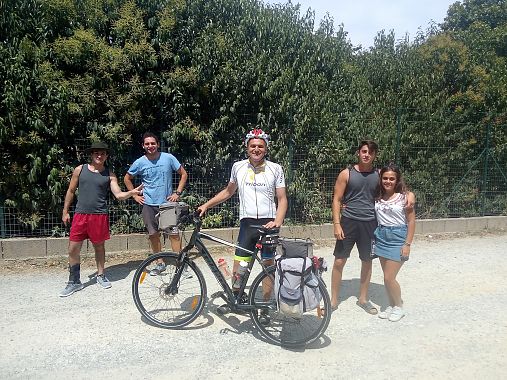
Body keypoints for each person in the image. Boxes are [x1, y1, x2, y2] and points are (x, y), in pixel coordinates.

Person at [198, 128, 288, 297]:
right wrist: (206, 205)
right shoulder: (237, 167)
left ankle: (266, 305)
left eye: (260, 146)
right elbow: (228, 192)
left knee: (268, 265)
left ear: (266, 148)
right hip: (247, 224)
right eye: (253, 145)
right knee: (240, 262)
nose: (256, 149)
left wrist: (278, 220)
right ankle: (237, 295)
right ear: (247, 147)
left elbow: (282, 198)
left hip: (269, 222)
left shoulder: (275, 168)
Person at [330, 140, 415, 314]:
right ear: (358, 153)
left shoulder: (379, 174)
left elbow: (398, 186)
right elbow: (337, 199)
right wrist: (337, 223)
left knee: (367, 261)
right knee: (339, 261)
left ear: (375, 155)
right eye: (363, 151)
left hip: (370, 224)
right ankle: (333, 300)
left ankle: (363, 299)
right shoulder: (346, 174)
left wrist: (411, 195)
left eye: (370, 152)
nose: (366, 155)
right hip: (348, 222)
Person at [60, 141, 143, 297]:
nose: (99, 155)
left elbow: (118, 194)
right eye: (96, 153)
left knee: (99, 247)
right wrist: (65, 211)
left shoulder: (109, 174)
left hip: (99, 216)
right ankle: (74, 281)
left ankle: (101, 275)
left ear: (106, 156)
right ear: (92, 154)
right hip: (80, 215)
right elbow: (71, 191)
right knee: (72, 249)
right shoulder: (80, 169)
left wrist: (131, 193)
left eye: (103, 153)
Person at [124, 132, 188, 276]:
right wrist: (134, 195)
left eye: (153, 143)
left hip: (167, 204)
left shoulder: (168, 158)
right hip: (148, 204)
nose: (150, 146)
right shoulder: (140, 162)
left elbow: (183, 174)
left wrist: (177, 193)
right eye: (147, 144)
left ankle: (180, 264)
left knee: (174, 234)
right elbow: (127, 178)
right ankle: (159, 263)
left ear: (157, 144)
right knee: (154, 235)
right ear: (143, 146)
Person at [374, 163, 415, 322]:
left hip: (398, 237)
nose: (388, 181)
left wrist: (407, 244)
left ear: (397, 180)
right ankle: (391, 305)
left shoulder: (405, 198)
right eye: (385, 178)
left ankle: (399, 306)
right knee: (386, 277)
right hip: (381, 236)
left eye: (392, 178)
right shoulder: (377, 196)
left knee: (389, 277)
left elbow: (411, 222)